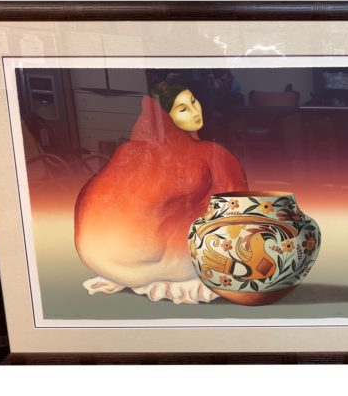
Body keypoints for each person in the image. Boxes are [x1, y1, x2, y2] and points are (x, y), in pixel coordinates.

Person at [74, 83, 248, 304]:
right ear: (166, 117)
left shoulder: (127, 151)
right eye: (182, 109)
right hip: (161, 261)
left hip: (103, 261)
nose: (195, 111)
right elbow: (236, 209)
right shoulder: (209, 153)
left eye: (193, 101)